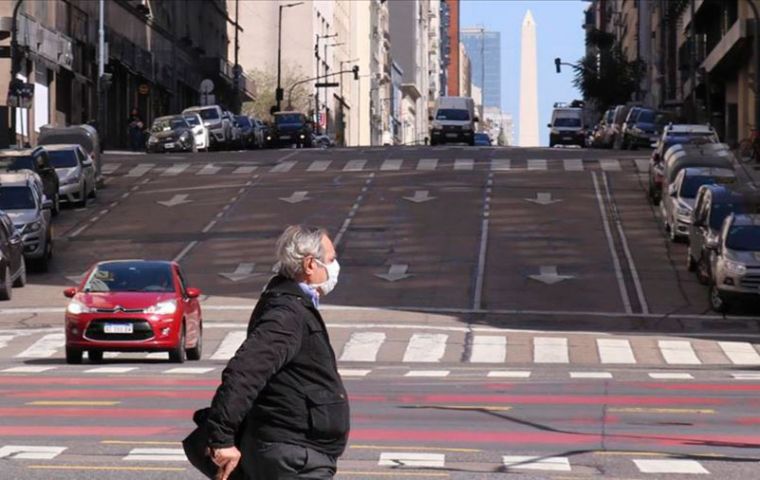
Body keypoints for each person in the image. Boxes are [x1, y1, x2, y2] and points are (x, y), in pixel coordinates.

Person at [206, 225, 349, 480]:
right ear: (309, 265)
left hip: (299, 452)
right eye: (331, 259)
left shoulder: (292, 304)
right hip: (293, 456)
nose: (335, 266)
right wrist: (222, 437)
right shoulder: (286, 314)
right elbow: (245, 371)